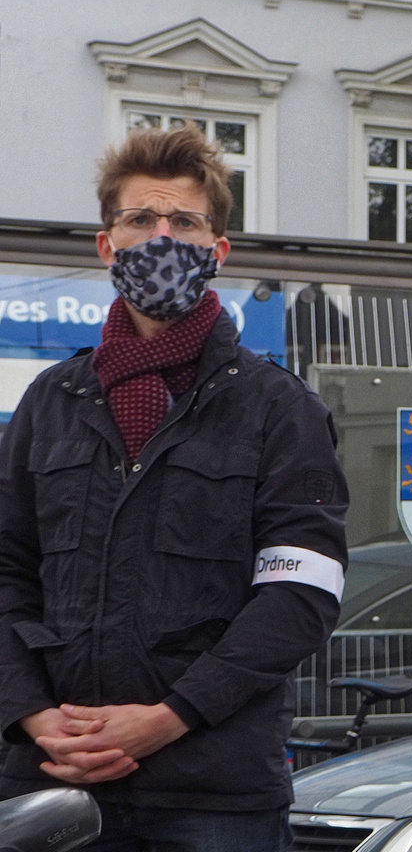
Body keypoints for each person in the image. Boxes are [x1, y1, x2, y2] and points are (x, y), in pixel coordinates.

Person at [0, 125, 349, 851]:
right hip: (49, 781)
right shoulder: (49, 402)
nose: (161, 237)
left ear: (217, 251)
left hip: (212, 793)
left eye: (184, 222)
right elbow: (5, 572)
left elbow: (299, 596)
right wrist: (32, 715)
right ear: (107, 244)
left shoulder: (277, 409)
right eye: (139, 220)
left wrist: (167, 718)